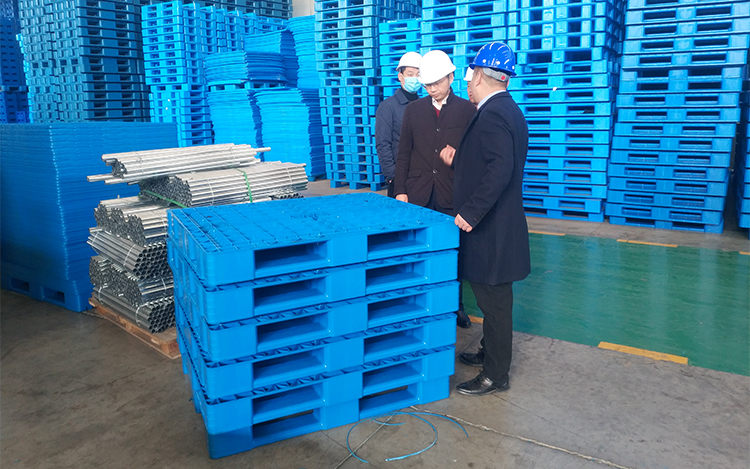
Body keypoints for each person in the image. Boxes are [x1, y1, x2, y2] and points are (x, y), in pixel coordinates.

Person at [439, 42, 531, 396]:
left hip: (491, 229)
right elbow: (492, 159)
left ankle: (496, 374)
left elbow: (500, 169)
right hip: (497, 226)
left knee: (495, 305)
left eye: (469, 75)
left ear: (479, 75)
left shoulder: (493, 114)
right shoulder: (506, 110)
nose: (467, 82)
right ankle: (488, 352)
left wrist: (470, 211)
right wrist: (460, 158)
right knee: (491, 300)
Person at [394, 49, 476, 329]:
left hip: (450, 193)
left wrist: (458, 159)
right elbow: (404, 153)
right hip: (418, 194)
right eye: (427, 84)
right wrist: (400, 190)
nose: (431, 89)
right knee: (419, 252)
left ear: (451, 77)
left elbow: (475, 155)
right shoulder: (414, 111)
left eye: (437, 83)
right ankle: (418, 303)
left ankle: (456, 306)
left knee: (454, 253)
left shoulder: (467, 110)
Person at [375, 51, 422, 197]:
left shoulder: (423, 105)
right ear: (400, 76)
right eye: (410, 74)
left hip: (421, 177)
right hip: (400, 177)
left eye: (418, 74)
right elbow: (383, 143)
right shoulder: (388, 107)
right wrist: (393, 177)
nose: (414, 79)